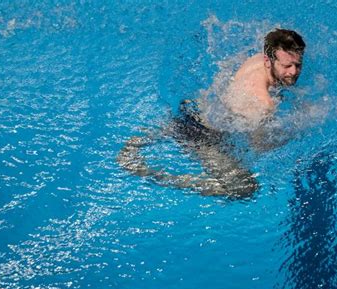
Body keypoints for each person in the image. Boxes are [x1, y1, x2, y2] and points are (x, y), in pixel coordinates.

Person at [117, 28, 306, 199]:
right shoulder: (263, 103)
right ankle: (154, 174)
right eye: (287, 66)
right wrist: (294, 132)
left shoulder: (261, 58)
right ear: (268, 60)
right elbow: (257, 147)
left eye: (298, 65)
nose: (294, 72)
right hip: (203, 137)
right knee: (244, 188)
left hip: (193, 108)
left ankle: (157, 133)